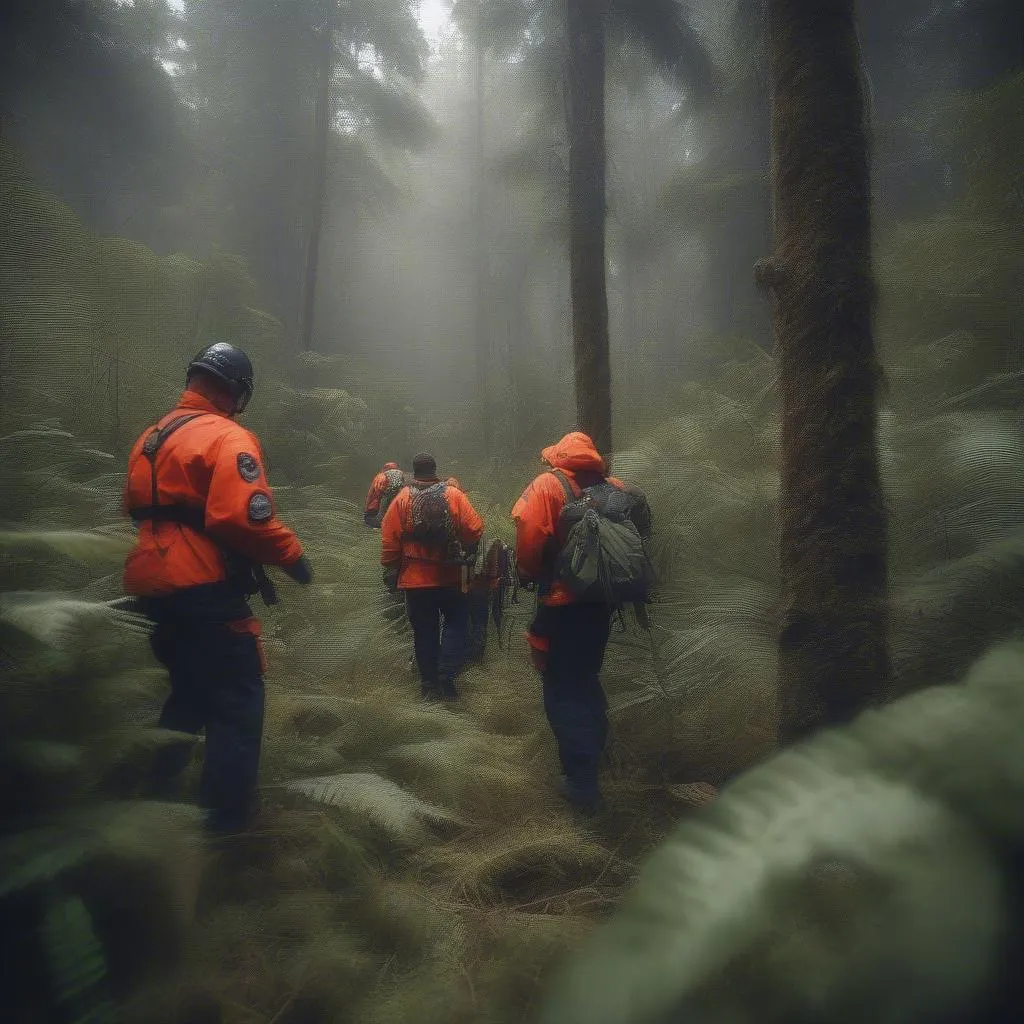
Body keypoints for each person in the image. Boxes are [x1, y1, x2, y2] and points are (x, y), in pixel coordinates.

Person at [122, 341, 313, 835]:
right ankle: (223, 835)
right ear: (237, 391)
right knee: (236, 701)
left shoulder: (151, 435)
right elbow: (243, 518)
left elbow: (134, 505)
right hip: (203, 585)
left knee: (187, 694)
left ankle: (147, 807)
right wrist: (292, 557)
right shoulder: (229, 437)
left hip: (151, 583)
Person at [511, 431, 653, 813]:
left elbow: (528, 535)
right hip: (602, 602)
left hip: (562, 602)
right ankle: (593, 756)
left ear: (558, 456)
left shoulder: (548, 484)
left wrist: (532, 572)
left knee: (563, 686)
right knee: (586, 677)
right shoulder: (615, 487)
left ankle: (581, 784)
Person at [381, 452, 483, 701]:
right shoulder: (453, 495)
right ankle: (447, 678)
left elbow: (389, 538)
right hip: (451, 576)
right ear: (435, 469)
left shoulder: (403, 498)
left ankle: (428, 685)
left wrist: (392, 568)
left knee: (424, 632)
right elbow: (474, 529)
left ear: (413, 472)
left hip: (415, 580)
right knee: (455, 626)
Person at [364, 461, 408, 528]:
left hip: (377, 511)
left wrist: (366, 510)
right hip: (395, 511)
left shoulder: (380, 477)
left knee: (371, 520)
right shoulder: (401, 476)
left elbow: (369, 496)